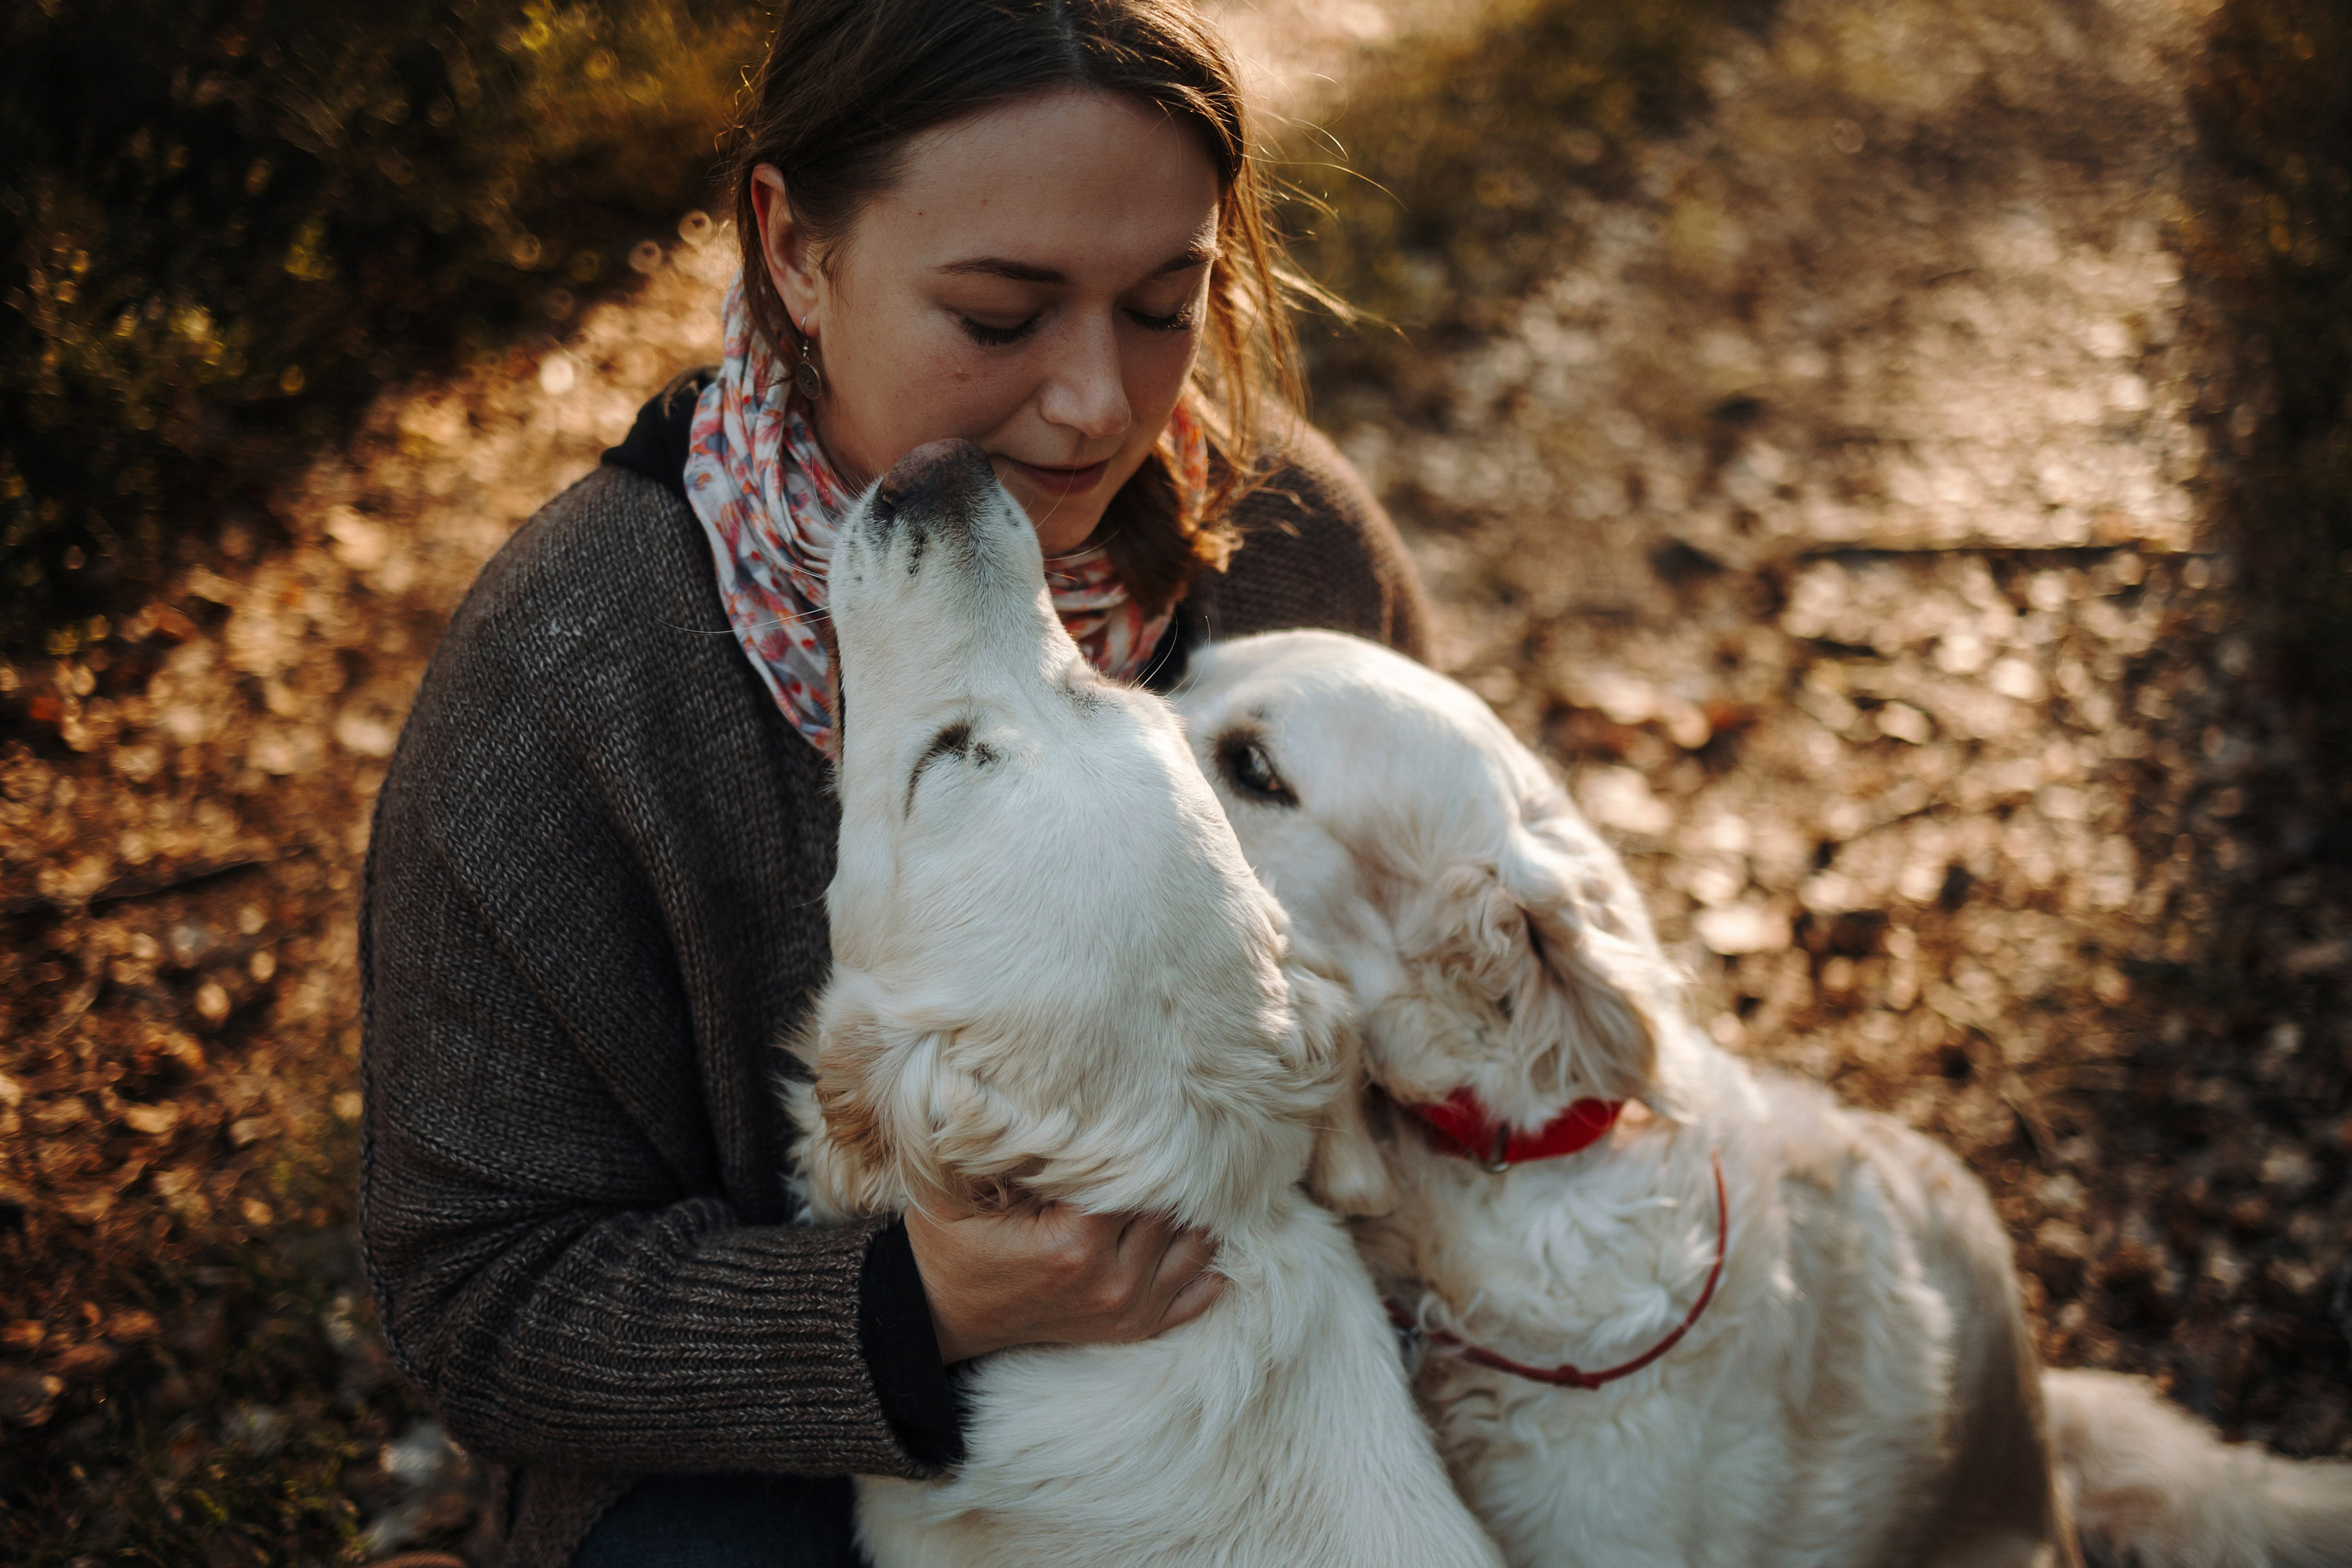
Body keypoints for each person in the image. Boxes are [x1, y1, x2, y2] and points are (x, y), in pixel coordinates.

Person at [357, 3, 1430, 1565]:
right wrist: (910, 1306)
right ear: (796, 250)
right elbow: (481, 1300)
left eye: (1162, 305)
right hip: (776, 1468)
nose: (1096, 404)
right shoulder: (575, 679)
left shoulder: (1294, 551)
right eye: (1001, 317)